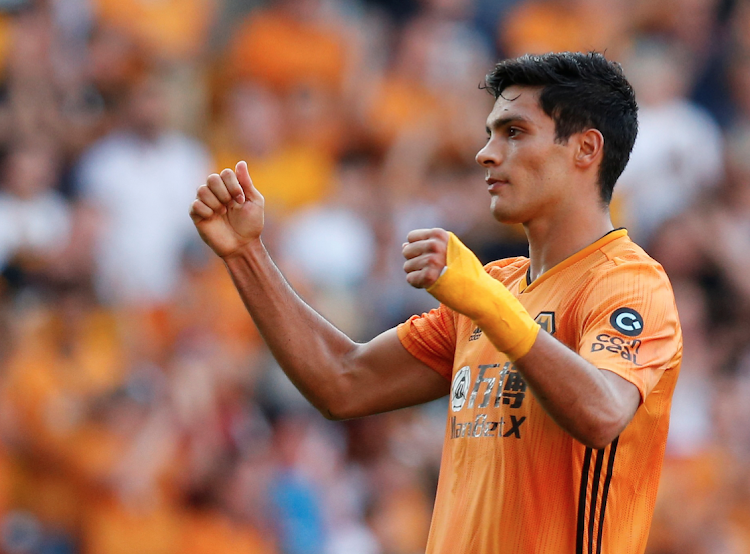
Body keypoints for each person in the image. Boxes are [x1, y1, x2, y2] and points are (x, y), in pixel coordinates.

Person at [189, 52, 682, 554]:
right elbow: (341, 381)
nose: (486, 154)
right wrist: (245, 253)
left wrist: (490, 305)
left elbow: (602, 413)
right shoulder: (492, 287)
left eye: (514, 132)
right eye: (491, 133)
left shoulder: (629, 282)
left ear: (585, 148)